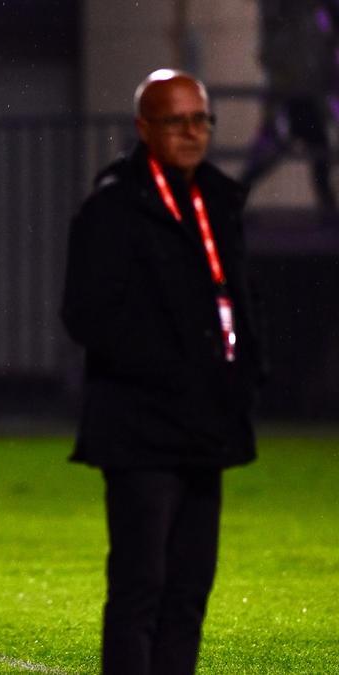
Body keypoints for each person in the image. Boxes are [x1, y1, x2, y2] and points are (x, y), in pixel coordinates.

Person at [61, 70, 263, 675]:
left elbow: (236, 299)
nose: (192, 132)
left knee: (190, 590)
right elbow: (86, 315)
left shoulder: (218, 200)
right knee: (141, 585)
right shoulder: (113, 207)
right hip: (141, 425)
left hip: (207, 422)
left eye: (201, 119)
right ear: (144, 128)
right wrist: (170, 367)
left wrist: (244, 370)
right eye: (176, 120)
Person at [241, 0, 339, 214]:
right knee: (307, 149)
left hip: (303, 93)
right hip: (293, 93)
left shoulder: (314, 17)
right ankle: (328, 210)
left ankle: (328, 209)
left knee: (314, 151)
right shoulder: (291, 14)